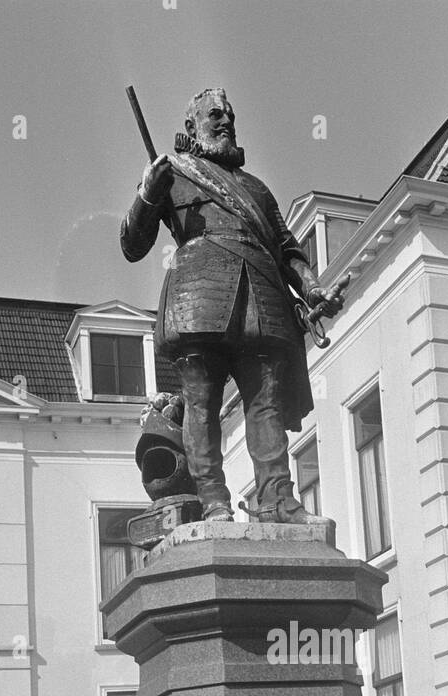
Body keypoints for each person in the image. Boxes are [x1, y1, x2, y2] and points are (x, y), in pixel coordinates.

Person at [120, 86, 345, 522]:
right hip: (198, 298)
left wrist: (313, 288)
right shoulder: (172, 173)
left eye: (230, 116)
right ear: (191, 127)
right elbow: (131, 243)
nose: (226, 122)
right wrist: (148, 194)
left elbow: (287, 249)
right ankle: (213, 502)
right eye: (215, 115)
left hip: (262, 298)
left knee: (267, 404)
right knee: (201, 401)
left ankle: (277, 499)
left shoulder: (258, 189)